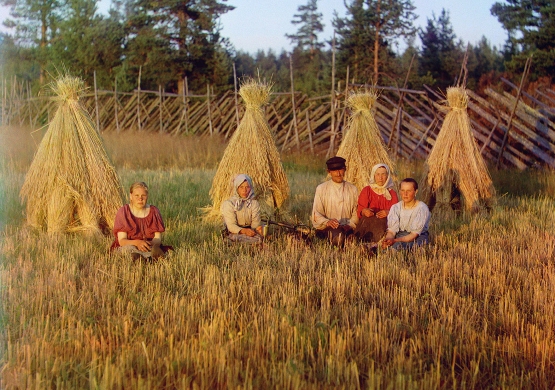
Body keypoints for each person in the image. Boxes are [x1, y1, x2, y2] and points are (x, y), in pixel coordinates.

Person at [111, 182, 171, 260]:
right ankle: (141, 258)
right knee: (129, 250)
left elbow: (158, 239)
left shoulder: (154, 211)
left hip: (148, 246)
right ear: (130, 196)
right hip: (130, 245)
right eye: (137, 195)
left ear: (147, 196)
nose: (140, 198)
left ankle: (149, 256)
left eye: (143, 195)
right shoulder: (123, 212)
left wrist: (146, 245)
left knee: (155, 249)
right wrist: (137, 243)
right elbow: (122, 241)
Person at [312, 156, 359, 246]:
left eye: (340, 169)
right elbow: (316, 213)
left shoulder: (352, 189)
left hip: (348, 227)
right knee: (338, 238)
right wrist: (327, 222)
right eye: (334, 170)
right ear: (329, 172)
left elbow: (356, 212)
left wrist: (350, 224)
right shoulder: (321, 188)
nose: (338, 173)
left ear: (345, 169)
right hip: (328, 227)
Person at [354, 163, 398, 244]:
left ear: (387, 176)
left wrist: (388, 212)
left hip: (384, 224)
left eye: (383, 174)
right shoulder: (367, 190)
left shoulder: (392, 193)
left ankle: (375, 244)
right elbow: (360, 209)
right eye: (377, 174)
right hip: (368, 222)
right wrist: (365, 211)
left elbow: (396, 212)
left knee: (382, 228)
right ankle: (360, 242)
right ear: (374, 175)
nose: (380, 177)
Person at [382, 178, 430, 250]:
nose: (405, 194)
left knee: (406, 248)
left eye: (409, 191)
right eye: (403, 190)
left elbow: (414, 234)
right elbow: (391, 232)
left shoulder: (422, 208)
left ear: (415, 192)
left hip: (418, 237)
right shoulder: (395, 207)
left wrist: (395, 241)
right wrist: (388, 240)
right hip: (400, 235)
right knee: (389, 248)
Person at [221, 174, 263, 244]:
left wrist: (254, 231)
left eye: (247, 187)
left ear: (251, 188)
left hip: (249, 232)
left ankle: (251, 243)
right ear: (237, 188)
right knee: (236, 237)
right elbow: (231, 225)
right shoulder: (229, 203)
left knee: (258, 237)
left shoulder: (254, 203)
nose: (244, 190)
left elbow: (255, 223)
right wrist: (244, 231)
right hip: (234, 232)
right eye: (241, 187)